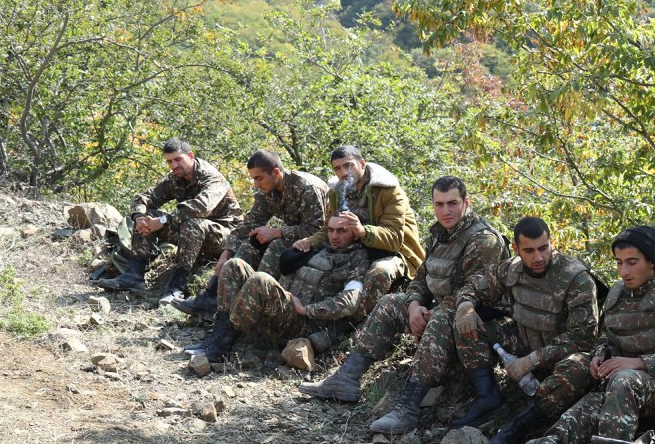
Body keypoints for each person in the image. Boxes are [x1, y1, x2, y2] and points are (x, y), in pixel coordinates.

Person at [457, 225, 655, 444]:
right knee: (573, 420)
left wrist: (639, 362)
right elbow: (605, 338)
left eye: (632, 262)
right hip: (620, 390)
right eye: (619, 263)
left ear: (652, 262)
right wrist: (600, 357)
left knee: (625, 381)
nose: (623, 271)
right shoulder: (618, 293)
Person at [298, 173, 507, 419]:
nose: (446, 211)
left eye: (453, 203)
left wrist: (431, 312)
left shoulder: (483, 240)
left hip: (479, 319)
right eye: (439, 204)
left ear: (466, 203)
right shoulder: (440, 235)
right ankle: (347, 378)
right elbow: (421, 276)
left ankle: (407, 407)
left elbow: (477, 290)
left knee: (440, 319)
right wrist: (414, 305)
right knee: (390, 303)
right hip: (443, 309)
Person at [451, 216, 600, 444]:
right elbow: (473, 285)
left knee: (578, 367)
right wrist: (465, 306)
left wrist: (532, 360)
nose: (538, 257)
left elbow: (583, 338)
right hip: (523, 340)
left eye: (543, 248)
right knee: (467, 322)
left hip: (558, 357)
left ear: (552, 243)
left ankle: (518, 427)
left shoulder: (576, 279)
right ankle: (487, 397)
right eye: (529, 251)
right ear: (517, 249)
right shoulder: (512, 268)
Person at [186, 214, 373, 363]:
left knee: (260, 280)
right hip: (282, 309)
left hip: (301, 324)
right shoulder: (320, 247)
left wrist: (306, 309)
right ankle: (218, 335)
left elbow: (350, 301)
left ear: (355, 233)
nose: (334, 236)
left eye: (342, 231)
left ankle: (221, 346)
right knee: (234, 266)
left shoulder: (357, 259)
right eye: (331, 230)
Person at [172, 149, 328, 318]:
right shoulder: (268, 190)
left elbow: (317, 230)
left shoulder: (307, 188)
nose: (256, 184)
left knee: (276, 245)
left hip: (319, 244)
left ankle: (254, 304)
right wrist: (226, 255)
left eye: (259, 178)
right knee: (249, 243)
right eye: (254, 179)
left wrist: (277, 232)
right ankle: (212, 298)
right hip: (293, 238)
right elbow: (250, 223)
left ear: (276, 172)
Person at [98, 139, 242, 301]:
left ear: (191, 156)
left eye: (178, 159)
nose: (174, 165)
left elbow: (200, 207)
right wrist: (139, 218)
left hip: (224, 237)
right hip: (193, 234)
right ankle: (134, 276)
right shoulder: (176, 178)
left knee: (192, 224)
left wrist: (162, 220)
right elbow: (144, 197)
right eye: (169, 161)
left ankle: (176, 288)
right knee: (148, 215)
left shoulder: (213, 178)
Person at [294, 145, 422, 316]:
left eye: (348, 165)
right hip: (353, 250)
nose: (343, 172)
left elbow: (394, 239)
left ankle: (351, 327)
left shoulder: (389, 191)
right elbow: (328, 228)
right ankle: (304, 313)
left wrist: (363, 231)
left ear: (362, 163)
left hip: (394, 253)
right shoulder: (338, 192)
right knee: (295, 257)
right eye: (337, 168)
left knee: (379, 272)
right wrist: (309, 242)